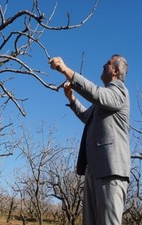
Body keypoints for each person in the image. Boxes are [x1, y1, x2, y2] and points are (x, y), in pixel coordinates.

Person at [49, 55, 131, 225]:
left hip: (110, 170)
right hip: (94, 169)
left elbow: (95, 93)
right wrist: (71, 98)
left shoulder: (120, 91)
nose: (103, 64)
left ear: (116, 71)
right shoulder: (102, 101)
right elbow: (87, 117)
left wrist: (66, 70)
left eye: (108, 63)